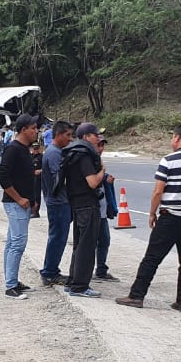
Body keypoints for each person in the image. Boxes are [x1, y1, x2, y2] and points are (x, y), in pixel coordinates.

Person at [115, 124, 181, 312]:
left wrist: (152, 212)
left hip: (169, 217)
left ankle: (136, 295)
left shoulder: (168, 161)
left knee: (152, 258)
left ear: (177, 138)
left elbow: (158, 191)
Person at [0, 114, 40, 299]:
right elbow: (2, 177)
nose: (36, 131)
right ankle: (11, 286)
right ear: (24, 130)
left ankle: (12, 280)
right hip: (15, 204)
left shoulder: (24, 149)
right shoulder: (13, 149)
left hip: (23, 202)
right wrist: (19, 198)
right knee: (18, 244)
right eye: (33, 128)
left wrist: (32, 199)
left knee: (11, 243)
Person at [62, 123, 107, 298]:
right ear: (86, 137)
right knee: (87, 247)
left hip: (77, 203)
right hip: (88, 205)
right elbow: (93, 182)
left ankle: (73, 281)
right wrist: (102, 171)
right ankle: (80, 286)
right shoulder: (84, 155)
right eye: (96, 135)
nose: (98, 138)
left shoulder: (73, 152)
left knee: (79, 246)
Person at [39, 121, 74, 286]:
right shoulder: (54, 153)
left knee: (58, 237)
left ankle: (51, 270)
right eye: (67, 135)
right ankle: (50, 272)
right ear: (58, 134)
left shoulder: (57, 151)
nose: (70, 139)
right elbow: (58, 179)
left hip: (59, 201)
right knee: (57, 238)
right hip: (58, 202)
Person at [93, 137, 118, 282]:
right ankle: (85, 272)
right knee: (90, 242)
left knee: (104, 240)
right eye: (98, 145)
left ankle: (101, 269)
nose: (101, 148)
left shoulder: (98, 161)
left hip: (101, 209)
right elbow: (90, 179)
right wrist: (104, 177)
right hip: (92, 209)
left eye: (102, 145)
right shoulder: (89, 161)